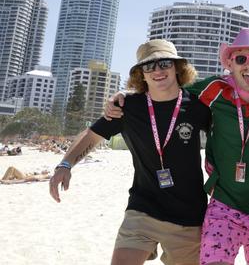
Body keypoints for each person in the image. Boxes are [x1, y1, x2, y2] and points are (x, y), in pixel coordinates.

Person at [106, 29, 249, 265]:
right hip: (223, 205)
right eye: (240, 59)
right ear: (229, 63)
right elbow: (167, 90)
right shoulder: (212, 90)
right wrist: (127, 94)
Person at [49, 39, 211, 265]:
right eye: (149, 66)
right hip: (142, 210)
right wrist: (64, 165)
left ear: (177, 67)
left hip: (188, 216)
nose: (157, 71)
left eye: (164, 63)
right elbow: (92, 135)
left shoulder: (197, 106)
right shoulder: (127, 107)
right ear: (141, 75)